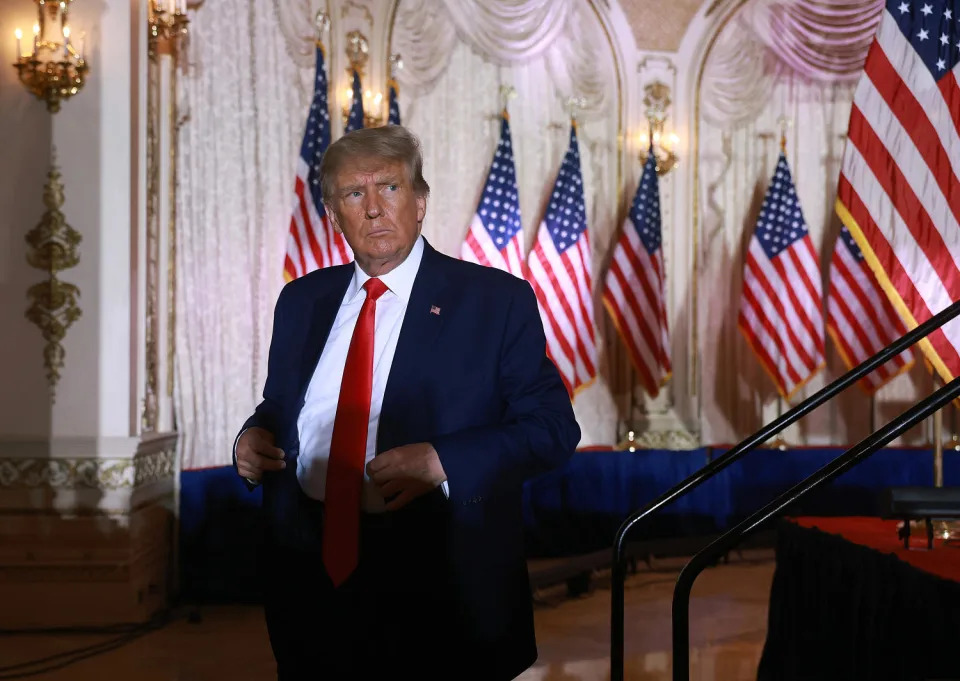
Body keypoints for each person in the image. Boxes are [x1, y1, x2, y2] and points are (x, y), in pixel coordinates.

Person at [234, 125, 579, 680]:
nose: (373, 209)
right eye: (353, 194)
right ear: (332, 212)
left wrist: (445, 460)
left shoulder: (494, 301)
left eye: (389, 188)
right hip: (310, 581)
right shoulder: (301, 301)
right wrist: (251, 438)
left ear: (419, 202)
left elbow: (552, 429)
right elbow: (282, 407)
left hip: (439, 588)